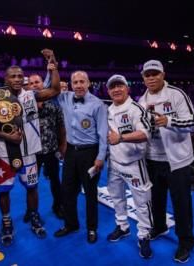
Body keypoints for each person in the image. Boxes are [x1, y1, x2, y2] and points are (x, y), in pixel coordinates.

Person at [0, 49, 60, 246]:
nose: (17, 79)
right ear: (5, 78)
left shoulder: (31, 95)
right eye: (13, 76)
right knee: (4, 191)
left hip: (30, 153)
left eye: (20, 76)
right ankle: (6, 223)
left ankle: (34, 217)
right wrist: (5, 135)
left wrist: (53, 65)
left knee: (32, 188)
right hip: (3, 153)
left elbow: (55, 90)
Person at [138, 60, 194, 263]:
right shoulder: (142, 99)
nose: (151, 77)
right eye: (148, 74)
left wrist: (169, 121)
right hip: (152, 158)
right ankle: (160, 226)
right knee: (156, 198)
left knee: (181, 203)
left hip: (177, 160)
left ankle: (186, 241)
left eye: (155, 73)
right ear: (143, 77)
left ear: (163, 74)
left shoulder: (176, 94)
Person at [53, 70, 108, 244]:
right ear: (71, 84)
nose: (78, 85)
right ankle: (71, 224)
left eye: (82, 81)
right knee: (67, 190)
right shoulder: (65, 97)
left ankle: (92, 228)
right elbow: (51, 88)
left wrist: (100, 157)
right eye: (75, 82)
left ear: (89, 83)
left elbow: (103, 133)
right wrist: (51, 67)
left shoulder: (98, 104)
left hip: (90, 152)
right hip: (71, 151)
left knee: (90, 193)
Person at [106, 74, 153, 258]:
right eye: (112, 87)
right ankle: (123, 226)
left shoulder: (136, 109)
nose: (116, 89)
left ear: (127, 88)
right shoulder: (108, 109)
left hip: (134, 163)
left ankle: (144, 235)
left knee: (142, 203)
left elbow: (145, 133)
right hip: (115, 163)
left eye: (120, 86)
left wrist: (122, 138)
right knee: (116, 198)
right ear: (108, 91)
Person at [28, 73, 66, 219]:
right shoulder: (24, 106)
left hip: (51, 150)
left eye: (37, 82)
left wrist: (62, 146)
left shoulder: (54, 105)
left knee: (55, 180)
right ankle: (31, 210)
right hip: (32, 152)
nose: (34, 85)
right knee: (31, 183)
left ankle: (58, 206)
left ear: (43, 84)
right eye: (31, 83)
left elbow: (61, 128)